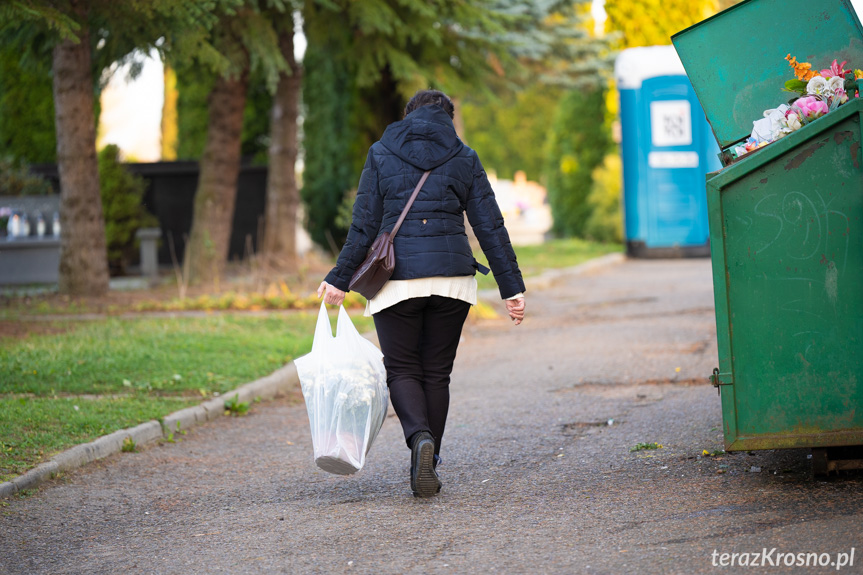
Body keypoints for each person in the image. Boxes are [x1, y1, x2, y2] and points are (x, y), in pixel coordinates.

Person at [317, 89, 525, 498]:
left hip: (397, 281)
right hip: (452, 279)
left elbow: (364, 225)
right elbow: (490, 226)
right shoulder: (464, 157)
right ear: (448, 118)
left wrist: (339, 278)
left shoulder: (381, 153)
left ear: (408, 116)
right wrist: (511, 287)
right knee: (436, 372)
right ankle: (431, 455)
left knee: (403, 370)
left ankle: (419, 440)